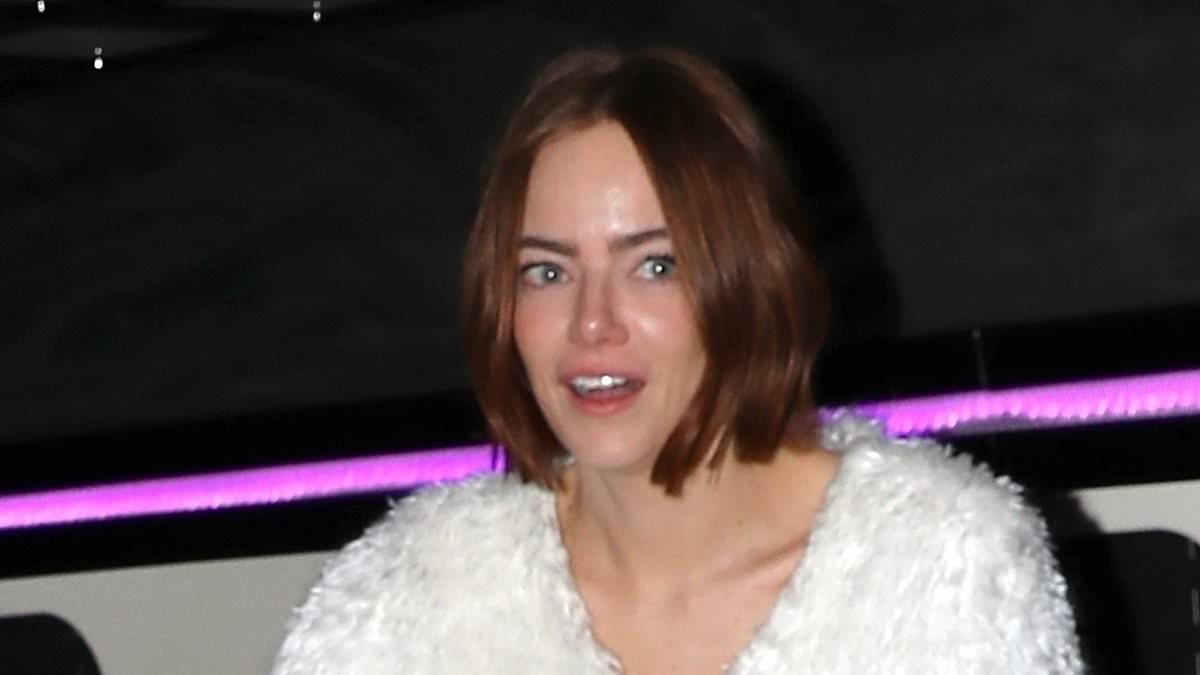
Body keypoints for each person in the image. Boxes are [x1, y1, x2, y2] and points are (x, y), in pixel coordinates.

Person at [272, 47, 1082, 674]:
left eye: (655, 266)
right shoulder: (412, 595)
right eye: (547, 272)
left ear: (749, 281)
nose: (592, 321)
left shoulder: (946, 566)